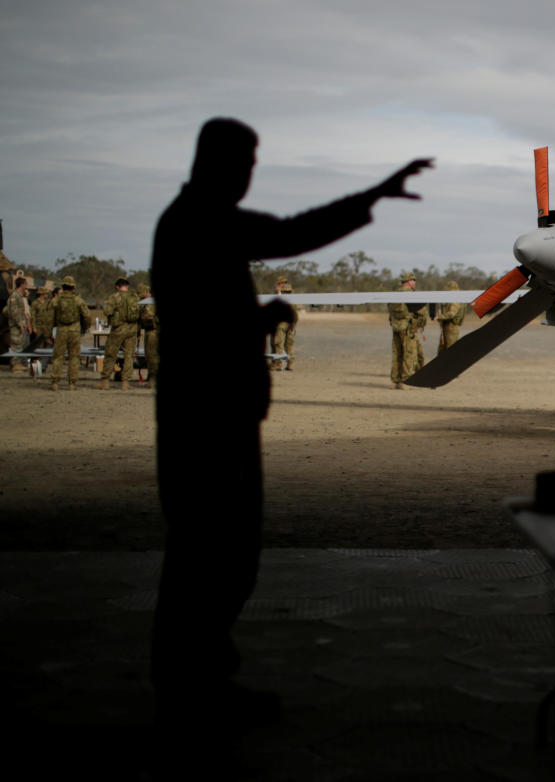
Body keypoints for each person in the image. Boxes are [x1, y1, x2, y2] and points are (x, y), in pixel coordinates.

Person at [149, 116, 433, 729]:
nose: (249, 176)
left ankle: (196, 680)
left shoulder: (194, 219)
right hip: (208, 414)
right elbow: (288, 237)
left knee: (212, 551)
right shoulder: (202, 220)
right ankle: (193, 689)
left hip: (210, 409)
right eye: (244, 164)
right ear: (218, 164)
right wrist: (375, 194)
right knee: (213, 551)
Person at [47, 276, 90, 391]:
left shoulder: (56, 300)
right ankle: (72, 383)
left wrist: (48, 334)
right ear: (73, 287)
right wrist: (84, 329)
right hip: (75, 331)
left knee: (58, 357)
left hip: (61, 331)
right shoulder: (78, 300)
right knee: (74, 357)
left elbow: (49, 318)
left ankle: (55, 383)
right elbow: (87, 316)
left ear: (63, 286)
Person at [97, 277, 141, 389]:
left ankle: (105, 381)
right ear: (128, 286)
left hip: (118, 329)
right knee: (129, 356)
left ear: (117, 286)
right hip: (132, 330)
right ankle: (126, 382)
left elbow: (107, 311)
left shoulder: (114, 297)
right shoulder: (135, 297)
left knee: (111, 354)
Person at [388, 271, 427, 388]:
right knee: (409, 354)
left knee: (397, 354)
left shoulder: (394, 294)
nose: (415, 282)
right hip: (408, 329)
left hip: (396, 327)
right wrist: (420, 324)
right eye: (413, 280)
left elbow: (390, 312)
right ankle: (406, 380)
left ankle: (396, 379)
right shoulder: (411, 295)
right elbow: (421, 312)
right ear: (409, 281)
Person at [269, 276, 297, 371]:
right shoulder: (287, 293)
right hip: (287, 323)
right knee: (283, 344)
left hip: (283, 324)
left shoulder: (285, 294)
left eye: (281, 283)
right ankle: (284, 364)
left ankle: (280, 364)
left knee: (280, 344)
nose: (280, 285)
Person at [5, 275, 32, 371]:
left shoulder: (20, 296)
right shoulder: (15, 296)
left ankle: (18, 364)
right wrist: (20, 324)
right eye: (26, 284)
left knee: (20, 345)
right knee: (16, 345)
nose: (27, 286)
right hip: (16, 326)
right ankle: (15, 365)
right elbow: (14, 312)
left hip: (21, 325)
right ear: (22, 284)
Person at [435, 280, 467, 354]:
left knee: (451, 351)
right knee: (442, 350)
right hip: (447, 327)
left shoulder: (455, 299)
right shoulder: (453, 298)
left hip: (451, 328)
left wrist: (439, 317)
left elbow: (451, 314)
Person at [136, 283, 158, 387]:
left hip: (153, 332)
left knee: (151, 356)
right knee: (149, 355)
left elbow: (148, 317)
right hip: (149, 331)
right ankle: (151, 376)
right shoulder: (147, 303)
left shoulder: (150, 304)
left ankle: (153, 379)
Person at [31, 283, 56, 351]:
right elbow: (33, 316)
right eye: (46, 294)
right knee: (39, 344)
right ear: (42, 294)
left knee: (48, 343)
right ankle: (36, 360)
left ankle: (43, 360)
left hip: (47, 326)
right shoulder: (35, 303)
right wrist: (34, 327)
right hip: (39, 326)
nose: (47, 295)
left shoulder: (47, 302)